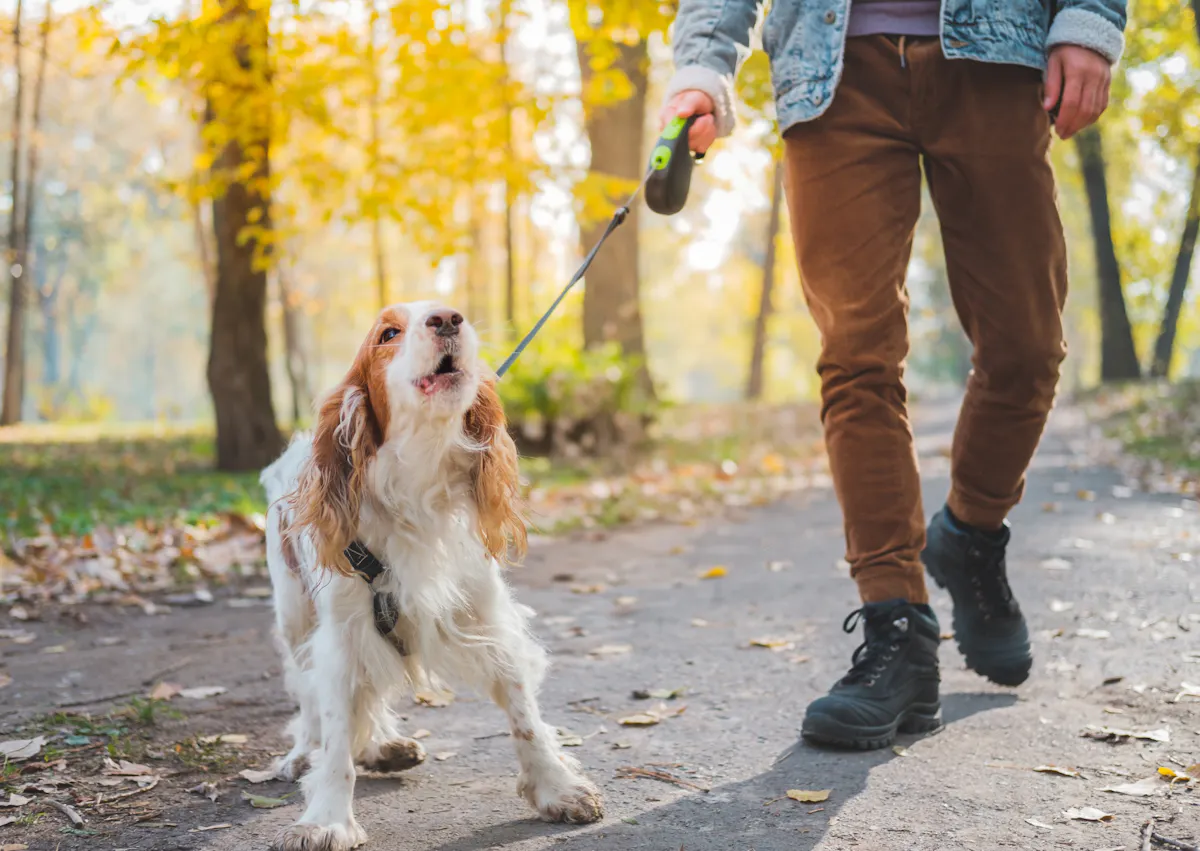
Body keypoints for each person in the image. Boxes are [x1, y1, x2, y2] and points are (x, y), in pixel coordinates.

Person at [659, 0, 1127, 750]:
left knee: (1027, 347)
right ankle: (897, 627)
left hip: (995, 55)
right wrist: (702, 66)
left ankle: (970, 534)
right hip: (831, 72)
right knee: (856, 357)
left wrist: (1088, 22)